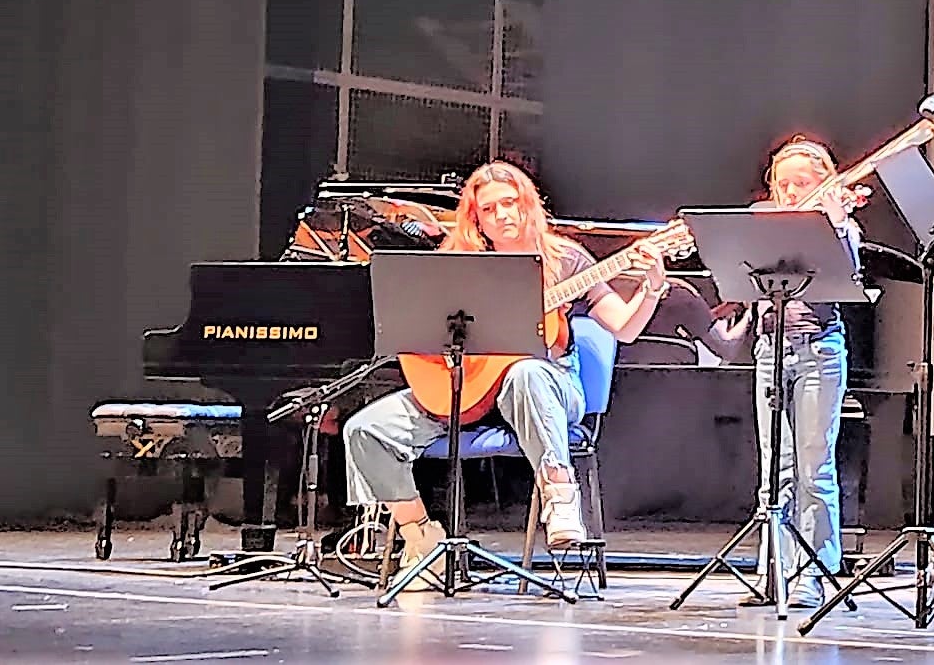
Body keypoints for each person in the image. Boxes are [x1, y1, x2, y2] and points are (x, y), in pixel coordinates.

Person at [342, 161, 670, 588]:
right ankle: (421, 537)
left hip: (549, 386)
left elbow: (624, 328)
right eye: (490, 209)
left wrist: (652, 286)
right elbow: (423, 324)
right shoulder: (459, 262)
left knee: (525, 370)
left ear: (527, 204)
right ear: (476, 218)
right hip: (470, 389)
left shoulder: (565, 259)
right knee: (365, 430)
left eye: (510, 204)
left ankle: (559, 494)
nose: (502, 216)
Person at [714, 137, 864, 609]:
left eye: (804, 183)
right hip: (769, 350)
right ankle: (772, 573)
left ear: (825, 184)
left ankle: (812, 575)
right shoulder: (763, 224)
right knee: (774, 469)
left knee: (813, 468)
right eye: (784, 183)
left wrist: (836, 225)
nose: (792, 192)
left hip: (819, 348)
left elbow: (848, 278)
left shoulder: (840, 227)